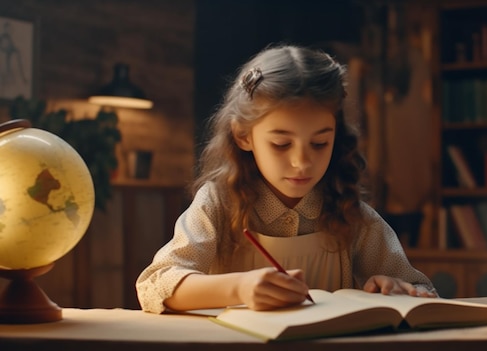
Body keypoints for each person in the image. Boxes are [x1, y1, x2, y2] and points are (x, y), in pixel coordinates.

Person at [136, 44, 437, 313]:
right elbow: (155, 284)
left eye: (320, 143)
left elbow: (423, 292)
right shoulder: (219, 204)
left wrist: (398, 291)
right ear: (243, 136)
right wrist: (239, 288)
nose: (302, 162)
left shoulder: (349, 212)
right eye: (281, 144)